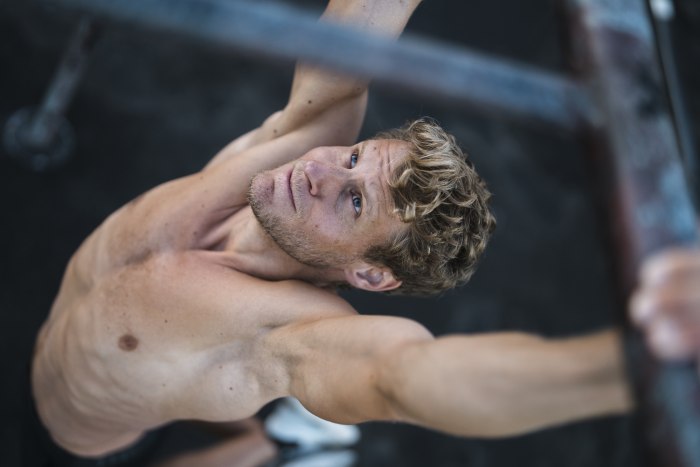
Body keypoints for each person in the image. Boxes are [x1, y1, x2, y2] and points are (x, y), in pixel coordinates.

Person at [26, 0, 634, 465]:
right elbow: (365, 14)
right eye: (354, 158)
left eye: (354, 201)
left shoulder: (287, 334)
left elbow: (404, 379)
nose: (318, 169)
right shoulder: (295, 144)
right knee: (191, 379)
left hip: (85, 439)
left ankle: (281, 444)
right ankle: (271, 426)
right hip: (98, 350)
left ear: (369, 272)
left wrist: (630, 365)